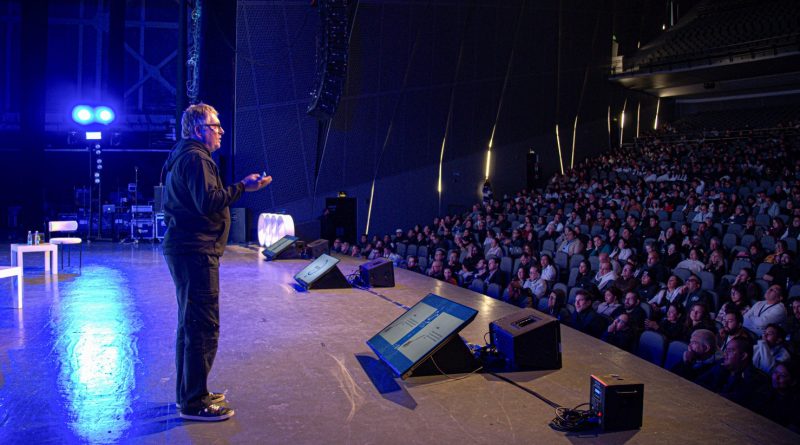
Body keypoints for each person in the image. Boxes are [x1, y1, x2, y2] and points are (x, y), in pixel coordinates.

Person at [163, 103, 271, 421]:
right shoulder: (197, 157)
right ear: (200, 130)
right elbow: (207, 201)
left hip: (187, 249)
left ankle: (191, 392)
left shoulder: (185, 154)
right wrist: (243, 187)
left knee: (190, 325)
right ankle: (195, 402)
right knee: (202, 326)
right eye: (216, 126)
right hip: (196, 250)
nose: (221, 131)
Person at [696, 336, 770, 412]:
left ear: (743, 356)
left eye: (730, 351)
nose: (725, 354)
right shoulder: (722, 364)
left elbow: (729, 400)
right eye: (726, 350)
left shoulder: (754, 380)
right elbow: (699, 382)